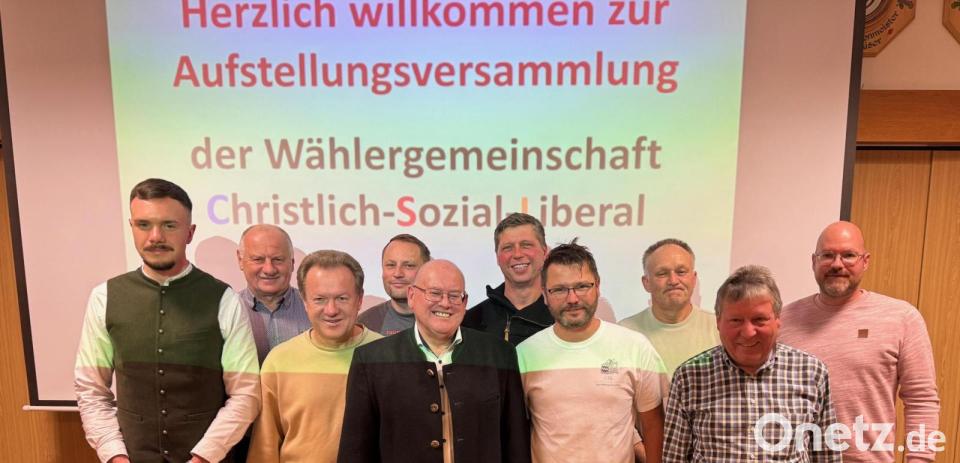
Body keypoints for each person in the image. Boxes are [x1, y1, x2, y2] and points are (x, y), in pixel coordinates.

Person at [74, 178, 259, 463]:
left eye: (169, 225)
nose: (155, 236)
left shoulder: (225, 299)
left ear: (190, 232)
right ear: (132, 227)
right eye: (144, 225)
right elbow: (91, 390)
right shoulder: (104, 297)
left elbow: (245, 393)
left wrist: (203, 457)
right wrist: (115, 455)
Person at [337, 259, 530, 463]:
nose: (445, 303)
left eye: (454, 295)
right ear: (412, 296)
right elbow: (355, 451)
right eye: (435, 293)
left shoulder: (499, 355)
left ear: (465, 302)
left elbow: (516, 445)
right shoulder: (371, 360)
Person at [779, 221, 940, 462]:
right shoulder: (784, 320)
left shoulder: (902, 318)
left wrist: (920, 459)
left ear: (865, 261)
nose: (837, 264)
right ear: (813, 262)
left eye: (848, 255)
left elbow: (921, 400)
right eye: (827, 255)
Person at [663, 265, 839, 462]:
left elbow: (827, 456)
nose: (748, 333)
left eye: (759, 320)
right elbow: (674, 459)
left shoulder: (812, 372)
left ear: (777, 320)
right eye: (736, 320)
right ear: (718, 322)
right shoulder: (689, 378)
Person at [517, 239, 666, 463]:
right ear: (544, 294)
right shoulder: (525, 355)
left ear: (597, 286)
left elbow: (654, 426)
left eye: (582, 286)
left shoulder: (635, 347)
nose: (572, 299)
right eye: (559, 290)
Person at [247, 250, 381, 462]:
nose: (331, 310)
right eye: (319, 299)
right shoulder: (280, 361)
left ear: (359, 300)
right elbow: (264, 449)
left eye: (342, 298)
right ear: (305, 302)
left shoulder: (389, 356)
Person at [619, 238, 720, 378]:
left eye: (681, 272)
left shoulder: (719, 328)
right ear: (646, 282)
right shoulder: (624, 332)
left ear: (694, 279)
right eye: (662, 273)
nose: (673, 281)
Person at [463, 213, 553, 345]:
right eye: (508, 248)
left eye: (526, 245)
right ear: (497, 257)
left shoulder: (562, 315)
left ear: (544, 252)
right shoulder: (471, 322)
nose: (517, 254)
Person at [237, 224, 310, 364]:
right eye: (258, 259)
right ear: (240, 260)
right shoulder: (226, 313)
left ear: (292, 263)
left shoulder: (317, 310)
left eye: (278, 259)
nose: (269, 269)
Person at [359, 234, 431, 335]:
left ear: (426, 270)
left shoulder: (448, 320)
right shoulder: (365, 324)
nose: (397, 274)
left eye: (408, 266)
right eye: (391, 265)